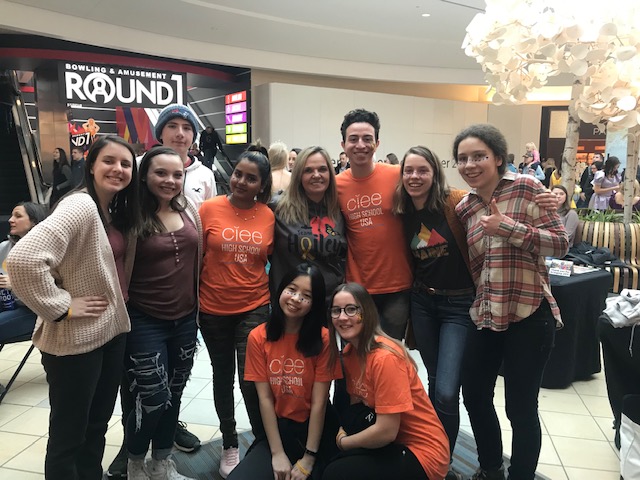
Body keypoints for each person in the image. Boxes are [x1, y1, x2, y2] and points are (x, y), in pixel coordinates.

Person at [6, 135, 140, 480]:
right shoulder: (79, 205)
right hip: (75, 339)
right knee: (69, 436)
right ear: (91, 165)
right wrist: (62, 305)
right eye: (109, 161)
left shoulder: (110, 209)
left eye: (126, 164)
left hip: (109, 333)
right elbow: (23, 259)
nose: (118, 169)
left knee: (95, 428)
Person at [454, 124, 568, 480]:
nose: (470, 164)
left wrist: (509, 229)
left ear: (498, 158)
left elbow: (561, 244)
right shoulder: (464, 206)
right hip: (487, 315)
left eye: (479, 156)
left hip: (529, 314)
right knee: (473, 395)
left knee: (520, 409)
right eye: (462, 158)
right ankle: (490, 468)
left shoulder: (529, 188)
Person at [393, 146, 473, 480]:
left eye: (421, 170)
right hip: (423, 303)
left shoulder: (457, 203)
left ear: (434, 173)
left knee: (445, 390)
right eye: (408, 171)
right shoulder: (401, 211)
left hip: (459, 306)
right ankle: (430, 450)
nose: (414, 177)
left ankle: (443, 460)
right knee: (434, 380)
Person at [124, 145, 201, 480]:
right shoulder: (129, 214)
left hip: (185, 320)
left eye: (177, 174)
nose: (170, 180)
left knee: (175, 394)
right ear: (145, 175)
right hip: (144, 320)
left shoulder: (189, 210)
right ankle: (134, 461)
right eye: (161, 173)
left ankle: (161, 463)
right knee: (152, 398)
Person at [198, 147, 275, 478]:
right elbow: (195, 257)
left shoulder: (268, 215)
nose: (241, 181)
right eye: (238, 174)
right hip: (212, 307)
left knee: (251, 379)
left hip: (254, 306)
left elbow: (275, 261)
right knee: (221, 375)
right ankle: (230, 442)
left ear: (262, 184)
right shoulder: (209, 208)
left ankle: (262, 441)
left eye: (251, 178)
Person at [323, 282, 450, 480]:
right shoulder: (349, 355)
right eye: (336, 311)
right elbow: (358, 413)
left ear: (367, 313)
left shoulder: (385, 358)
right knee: (332, 462)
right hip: (391, 444)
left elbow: (386, 431)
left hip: (422, 453)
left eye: (351, 310)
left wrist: (344, 443)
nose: (342, 317)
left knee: (335, 474)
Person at [229, 263, 339, 480]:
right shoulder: (258, 337)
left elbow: (319, 403)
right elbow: (265, 399)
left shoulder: (324, 339)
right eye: (292, 289)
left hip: (315, 431)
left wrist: (309, 457)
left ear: (314, 304)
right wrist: (277, 453)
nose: (296, 298)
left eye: (306, 295)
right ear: (280, 290)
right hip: (279, 431)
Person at [336, 109, 412, 340]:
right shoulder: (335, 185)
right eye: (354, 139)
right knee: (353, 357)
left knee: (389, 358)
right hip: (356, 288)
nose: (361, 145)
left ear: (377, 143)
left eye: (367, 139)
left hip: (397, 287)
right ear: (343, 144)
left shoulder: (398, 175)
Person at [270, 146, 347, 303]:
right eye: (308, 170)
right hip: (290, 304)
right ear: (299, 174)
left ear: (330, 174)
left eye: (322, 169)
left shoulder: (340, 209)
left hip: (329, 302)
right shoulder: (277, 207)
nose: (316, 175)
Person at [0, 202, 48, 388]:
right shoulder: (4, 247)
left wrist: (15, 285)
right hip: (8, 305)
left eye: (18, 216)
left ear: (35, 222)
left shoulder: (46, 250)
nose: (11, 220)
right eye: (12, 215)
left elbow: (51, 293)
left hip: (35, 311)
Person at [155, 103, 216, 208]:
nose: (180, 134)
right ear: (160, 133)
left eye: (186, 128)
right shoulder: (140, 166)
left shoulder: (206, 175)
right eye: (172, 126)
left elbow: (210, 218)